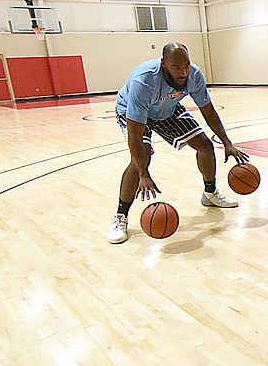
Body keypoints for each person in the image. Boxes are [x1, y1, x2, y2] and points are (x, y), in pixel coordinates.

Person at [107, 42, 249, 244]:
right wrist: (143, 174)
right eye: (176, 67)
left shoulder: (193, 75)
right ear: (164, 64)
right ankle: (120, 217)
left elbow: (208, 110)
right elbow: (135, 135)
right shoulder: (144, 81)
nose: (183, 72)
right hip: (134, 113)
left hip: (167, 108)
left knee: (205, 145)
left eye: (186, 66)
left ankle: (210, 194)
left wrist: (227, 142)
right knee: (142, 156)